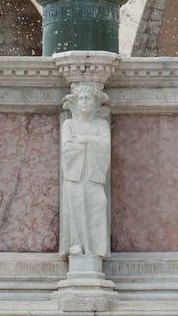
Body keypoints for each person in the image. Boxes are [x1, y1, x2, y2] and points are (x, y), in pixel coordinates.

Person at [59, 82, 111, 259]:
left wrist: (83, 140)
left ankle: (95, 249)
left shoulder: (101, 125)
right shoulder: (69, 124)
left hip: (93, 174)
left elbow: (105, 147)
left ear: (95, 103)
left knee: (98, 204)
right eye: (80, 98)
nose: (83, 102)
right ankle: (76, 244)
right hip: (75, 174)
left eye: (87, 98)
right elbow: (66, 149)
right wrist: (90, 141)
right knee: (75, 208)